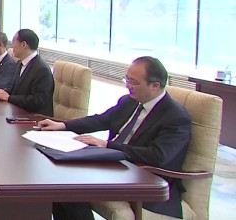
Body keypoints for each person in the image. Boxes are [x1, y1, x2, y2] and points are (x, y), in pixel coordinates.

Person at [40, 57, 191, 220]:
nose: (128, 86)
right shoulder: (129, 101)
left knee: (69, 188)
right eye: (127, 79)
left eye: (134, 82)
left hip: (143, 178)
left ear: (155, 86)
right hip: (114, 165)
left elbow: (158, 156)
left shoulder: (175, 117)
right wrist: (63, 125)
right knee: (58, 179)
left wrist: (107, 145)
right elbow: (101, 120)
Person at [0, 28, 54, 116]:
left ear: (23, 44)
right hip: (17, 113)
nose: (11, 46)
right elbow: (15, 90)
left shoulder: (42, 69)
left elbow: (38, 101)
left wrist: (9, 98)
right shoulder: (20, 63)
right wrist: (1, 93)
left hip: (34, 117)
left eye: (13, 42)